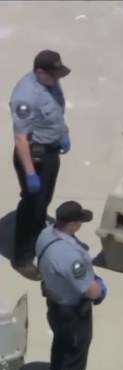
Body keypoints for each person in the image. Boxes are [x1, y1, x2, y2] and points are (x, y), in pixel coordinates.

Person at [36, 201, 107, 370]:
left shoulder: (46, 234)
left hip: (55, 303)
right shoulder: (70, 257)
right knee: (73, 362)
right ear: (73, 224)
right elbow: (89, 290)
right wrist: (101, 290)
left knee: (60, 349)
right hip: (72, 312)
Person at [9, 50, 73, 279]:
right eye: (54, 75)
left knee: (43, 200)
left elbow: (57, 110)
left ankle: (38, 233)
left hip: (50, 151)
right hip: (34, 158)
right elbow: (21, 139)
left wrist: (63, 132)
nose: (58, 79)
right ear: (40, 72)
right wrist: (30, 174)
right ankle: (22, 257)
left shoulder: (51, 83)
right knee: (31, 206)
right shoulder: (25, 96)